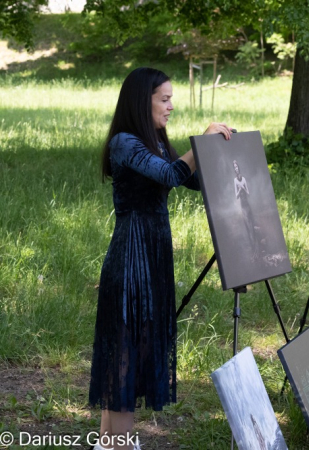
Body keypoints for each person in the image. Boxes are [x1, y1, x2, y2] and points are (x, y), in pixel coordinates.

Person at [88, 67, 232, 450]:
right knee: (125, 352)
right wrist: (199, 144)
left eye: (171, 98)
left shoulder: (156, 140)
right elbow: (170, 175)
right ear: (142, 100)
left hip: (152, 258)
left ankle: (110, 443)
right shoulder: (124, 142)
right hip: (131, 258)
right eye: (164, 99)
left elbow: (192, 180)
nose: (171, 106)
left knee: (132, 351)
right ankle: (119, 444)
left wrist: (219, 149)